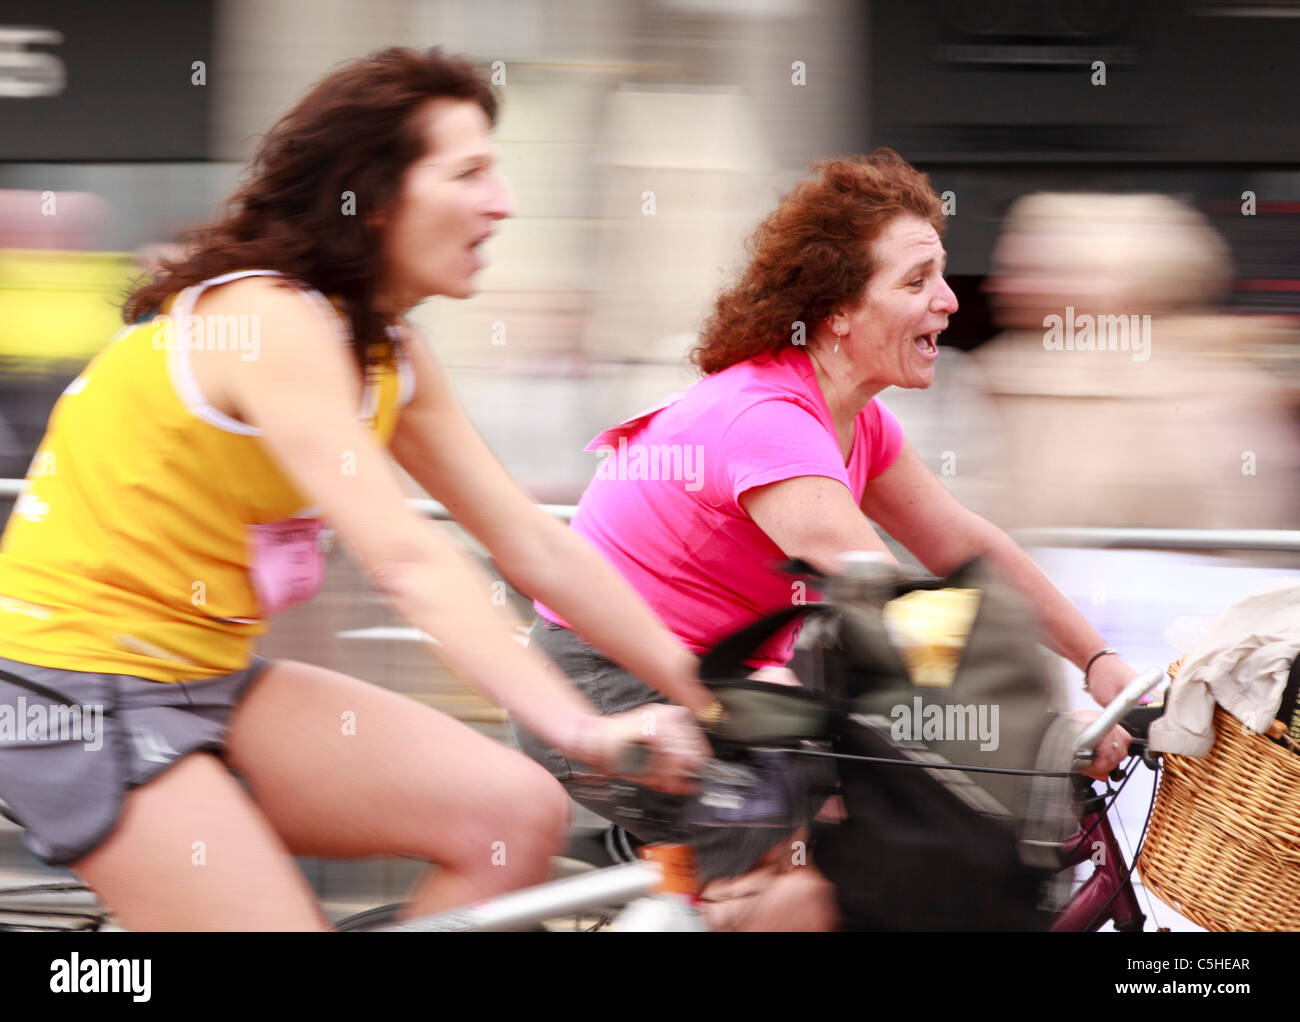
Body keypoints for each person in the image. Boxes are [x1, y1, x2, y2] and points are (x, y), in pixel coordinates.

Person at [0, 47, 713, 932]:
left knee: (513, 814)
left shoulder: (387, 353)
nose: (504, 202)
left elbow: (530, 542)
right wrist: (584, 731)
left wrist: (709, 693)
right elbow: (410, 560)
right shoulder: (269, 319)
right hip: (71, 693)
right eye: (470, 173)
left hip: (208, 678)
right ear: (374, 197)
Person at [511, 150, 1137, 930]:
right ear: (837, 310)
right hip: (610, 688)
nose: (947, 301)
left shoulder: (855, 417)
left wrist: (1101, 664)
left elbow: (965, 549)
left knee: (884, 840)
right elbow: (890, 614)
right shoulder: (770, 422)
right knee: (810, 894)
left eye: (940, 274)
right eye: (915, 282)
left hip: (722, 688)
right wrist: (1037, 733)